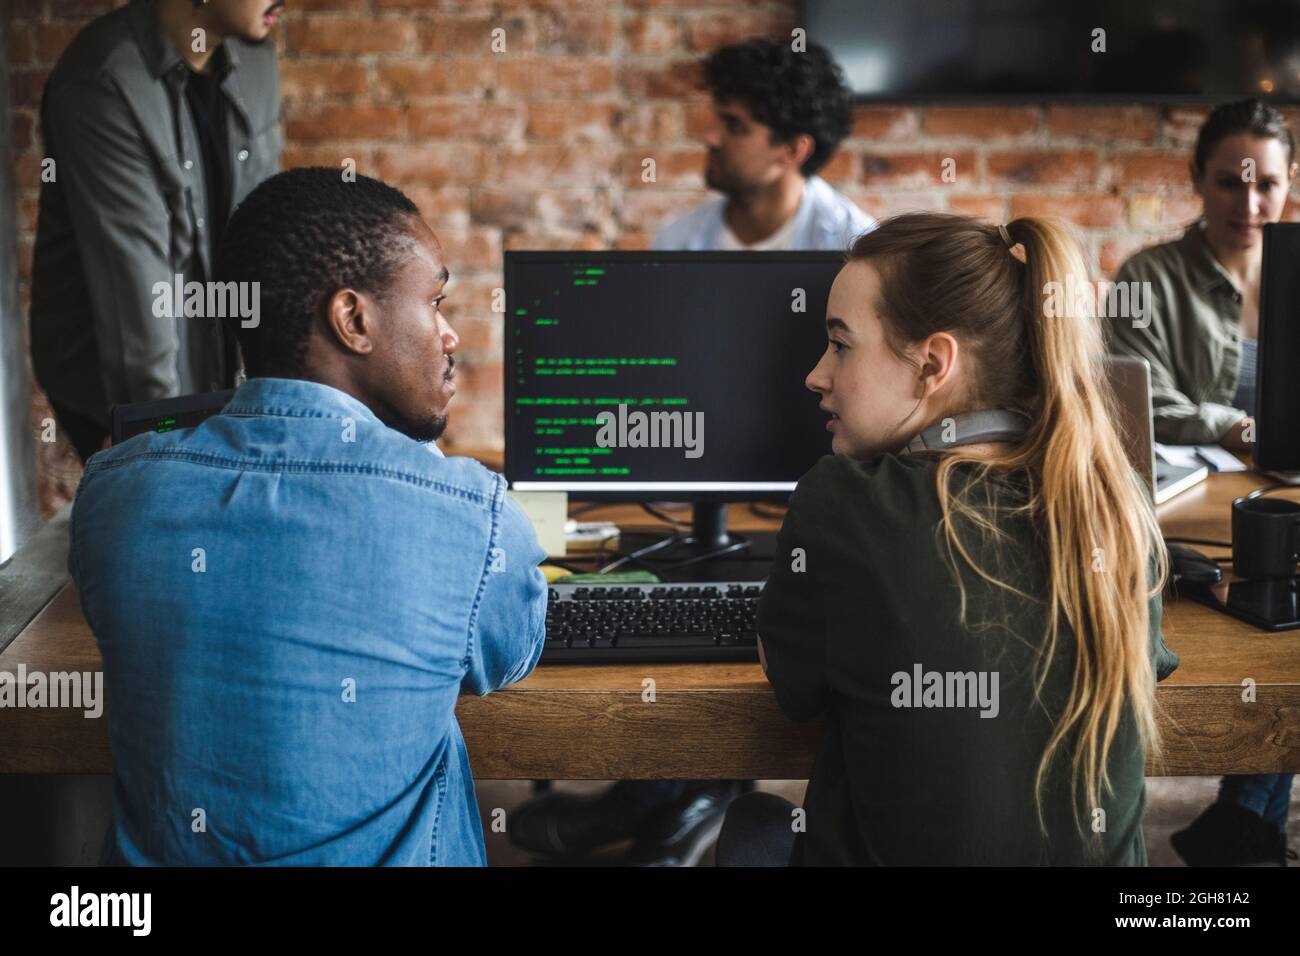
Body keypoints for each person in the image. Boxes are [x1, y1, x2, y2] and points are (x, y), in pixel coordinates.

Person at [68, 168, 549, 866]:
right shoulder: (470, 516)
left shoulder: (113, 494)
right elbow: (508, 652)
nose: (448, 336)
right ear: (353, 319)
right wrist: (421, 451)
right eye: (435, 301)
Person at [508, 36, 875, 867]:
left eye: (733, 125)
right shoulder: (683, 232)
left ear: (792, 148)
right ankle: (671, 803)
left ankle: (664, 807)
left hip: (824, 488)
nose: (709, 138)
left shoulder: (859, 245)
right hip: (708, 479)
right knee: (662, 615)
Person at [716, 213, 1180, 865]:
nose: (816, 375)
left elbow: (796, 691)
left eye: (841, 344)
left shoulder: (842, 499)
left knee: (756, 822)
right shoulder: (1116, 497)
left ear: (932, 363)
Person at [1110, 99, 1297, 866]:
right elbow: (1127, 391)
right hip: (1201, 503)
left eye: (1268, 185)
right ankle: (1243, 821)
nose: (1249, 206)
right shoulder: (1149, 275)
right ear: (1196, 180)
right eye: (1228, 183)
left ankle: (1242, 820)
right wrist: (1233, 424)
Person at [31, 0, 284, 462]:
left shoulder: (257, 59)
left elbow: (266, 232)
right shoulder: (103, 81)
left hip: (222, 375)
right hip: (119, 388)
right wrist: (157, 443)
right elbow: (136, 306)